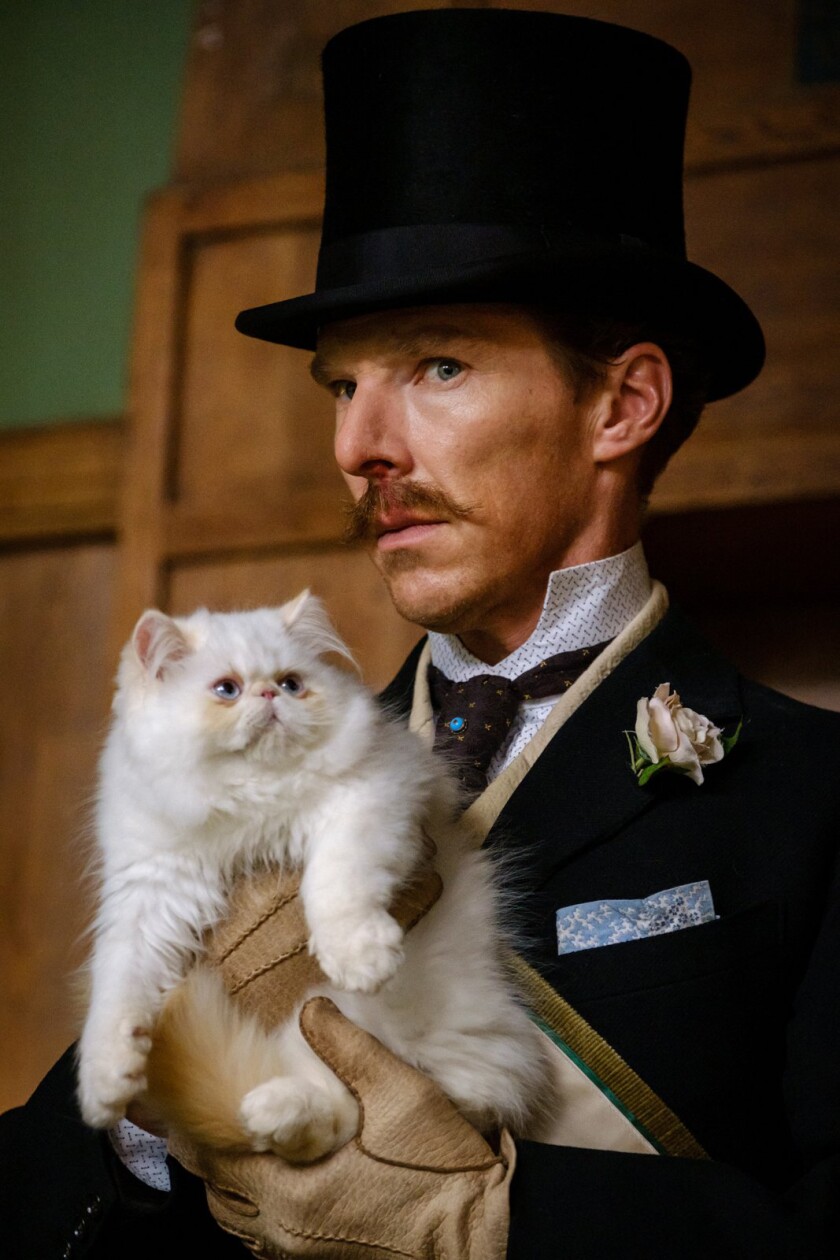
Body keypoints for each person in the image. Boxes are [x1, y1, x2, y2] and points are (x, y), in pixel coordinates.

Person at [2, 8, 839, 1257]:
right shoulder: (254, 756)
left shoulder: (816, 795)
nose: (359, 446)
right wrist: (161, 1111)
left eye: (438, 367)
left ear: (623, 405)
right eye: (344, 385)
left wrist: (489, 1222)